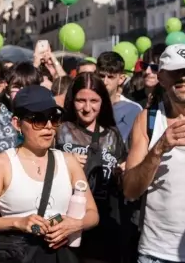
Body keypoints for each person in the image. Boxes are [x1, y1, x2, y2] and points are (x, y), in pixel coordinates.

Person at [123, 44, 185, 262]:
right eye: (176, 72)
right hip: (156, 253)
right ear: (162, 77)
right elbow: (130, 190)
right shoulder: (147, 120)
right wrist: (158, 149)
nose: (184, 79)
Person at [0, 85, 98, 263]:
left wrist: (74, 224)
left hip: (62, 256)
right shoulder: (2, 164)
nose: (48, 127)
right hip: (21, 256)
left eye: (54, 118)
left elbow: (92, 213)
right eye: (38, 119)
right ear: (17, 123)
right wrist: (18, 222)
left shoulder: (68, 161)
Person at [57, 73, 127, 263]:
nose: (87, 108)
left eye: (94, 101)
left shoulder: (113, 135)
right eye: (81, 100)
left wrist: (124, 172)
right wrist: (64, 162)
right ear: (72, 101)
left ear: (103, 101)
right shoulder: (60, 130)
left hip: (105, 226)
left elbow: (123, 182)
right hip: (67, 223)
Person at [97, 52, 142, 143]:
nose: (105, 82)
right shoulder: (85, 104)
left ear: (121, 79)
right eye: (101, 76)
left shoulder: (133, 109)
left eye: (110, 77)